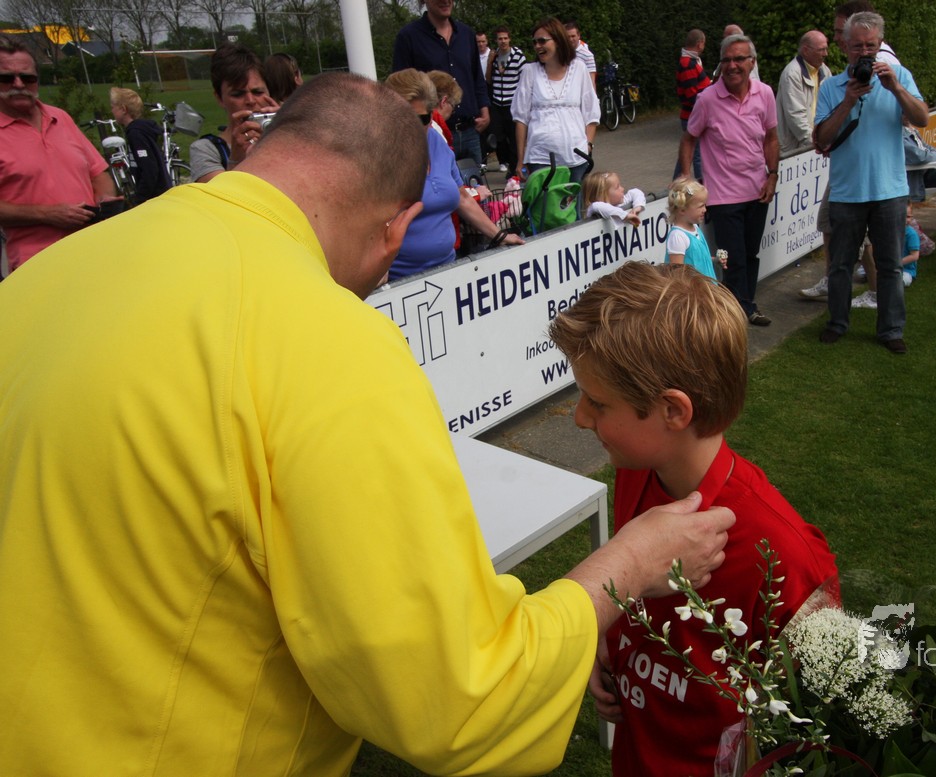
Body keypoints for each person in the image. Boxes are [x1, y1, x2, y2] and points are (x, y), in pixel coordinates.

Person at [0, 72, 736, 776]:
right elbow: (461, 695)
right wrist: (627, 564)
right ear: (398, 229)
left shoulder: (51, 272)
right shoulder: (325, 337)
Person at [547, 261, 837, 777]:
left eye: (597, 402)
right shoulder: (640, 470)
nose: (580, 417)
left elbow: (819, 725)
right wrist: (608, 642)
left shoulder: (785, 557)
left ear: (673, 411)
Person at [814, 11, 928, 354]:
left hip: (889, 190)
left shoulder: (898, 76)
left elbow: (922, 117)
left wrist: (896, 88)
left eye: (871, 46)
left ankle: (891, 330)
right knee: (840, 265)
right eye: (857, 46)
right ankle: (837, 322)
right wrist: (848, 101)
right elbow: (821, 138)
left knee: (889, 265)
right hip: (847, 191)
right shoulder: (832, 87)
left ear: (879, 45)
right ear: (845, 46)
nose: (864, 53)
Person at [678, 33, 778, 327]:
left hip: (757, 190)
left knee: (750, 254)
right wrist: (686, 178)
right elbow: (688, 139)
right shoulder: (707, 99)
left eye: (739, 59)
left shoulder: (765, 93)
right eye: (727, 60)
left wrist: (772, 175)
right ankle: (737, 313)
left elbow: (772, 138)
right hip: (723, 196)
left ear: (752, 62)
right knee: (730, 258)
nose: (732, 66)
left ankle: (745, 306)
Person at [385, 69, 521, 281]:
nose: (414, 127)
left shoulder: (437, 141)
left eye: (422, 119)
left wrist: (498, 234)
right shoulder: (378, 155)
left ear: (432, 114)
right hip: (399, 280)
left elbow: (462, 198)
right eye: (405, 118)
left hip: (447, 268)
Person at [799, 0, 894, 302]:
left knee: (850, 234)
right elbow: (826, 132)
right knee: (833, 226)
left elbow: (911, 118)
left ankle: (867, 290)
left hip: (867, 175)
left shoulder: (884, 66)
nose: (837, 38)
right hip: (851, 168)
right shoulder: (841, 77)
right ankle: (843, 285)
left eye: (841, 31)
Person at [0, 34, 117, 272]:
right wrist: (47, 214)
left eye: (28, 78)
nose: (19, 85)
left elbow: (98, 172)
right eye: (6, 78)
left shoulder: (60, 117)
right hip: (37, 262)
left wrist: (105, 203)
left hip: (93, 248)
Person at [393, 0, 490, 169]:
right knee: (440, 185)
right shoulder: (408, 37)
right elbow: (401, 89)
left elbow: (477, 78)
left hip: (470, 131)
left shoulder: (466, 34)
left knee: (474, 185)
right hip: (434, 135)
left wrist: (485, 110)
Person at [512, 17, 600, 186]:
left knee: (573, 203)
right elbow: (521, 120)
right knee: (545, 203)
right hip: (540, 158)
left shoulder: (579, 68)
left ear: (558, 40)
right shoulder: (529, 72)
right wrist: (521, 159)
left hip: (576, 158)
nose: (537, 46)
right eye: (534, 42)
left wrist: (588, 146)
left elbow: (591, 112)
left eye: (542, 41)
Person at [190, 43, 278, 184]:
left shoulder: (286, 135)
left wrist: (287, 129)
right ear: (220, 98)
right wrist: (236, 160)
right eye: (238, 94)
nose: (250, 101)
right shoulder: (206, 150)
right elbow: (219, 195)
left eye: (258, 92)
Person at [110, 86, 172, 203]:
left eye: (113, 107)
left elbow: (149, 169)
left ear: (123, 109)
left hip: (155, 197)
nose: (112, 111)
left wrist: (140, 198)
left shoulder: (136, 134)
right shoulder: (138, 131)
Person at [778, 30, 831, 157]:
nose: (826, 54)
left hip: (816, 146)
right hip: (795, 150)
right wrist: (815, 143)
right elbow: (796, 116)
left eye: (826, 49)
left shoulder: (824, 70)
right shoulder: (792, 74)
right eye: (821, 50)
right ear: (806, 50)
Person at [663, 176, 723, 281]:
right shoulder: (678, 237)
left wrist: (714, 260)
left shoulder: (695, 228)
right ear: (682, 210)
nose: (705, 210)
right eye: (700, 206)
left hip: (706, 287)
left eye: (705, 205)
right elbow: (677, 275)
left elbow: (697, 259)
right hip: (694, 290)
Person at [673, 28, 712, 182]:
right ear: (699, 43)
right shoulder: (688, 64)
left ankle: (677, 183)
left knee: (687, 152)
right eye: (704, 43)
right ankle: (702, 184)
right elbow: (691, 95)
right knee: (697, 153)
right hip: (692, 115)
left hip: (691, 115)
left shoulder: (691, 62)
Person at [487, 26, 525, 174]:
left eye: (505, 38)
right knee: (498, 136)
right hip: (497, 102)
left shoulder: (518, 55)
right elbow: (488, 79)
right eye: (500, 39)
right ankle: (505, 161)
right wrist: (490, 62)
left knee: (514, 137)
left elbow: (524, 79)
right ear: (496, 41)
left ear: (509, 39)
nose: (503, 41)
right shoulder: (494, 56)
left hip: (512, 102)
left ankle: (514, 168)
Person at [564, 21, 596, 91]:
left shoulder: (587, 55)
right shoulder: (559, 52)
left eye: (573, 36)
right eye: (568, 37)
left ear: (578, 36)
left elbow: (591, 81)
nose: (570, 39)